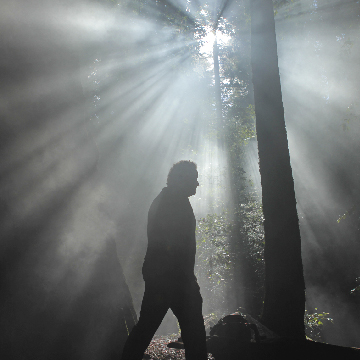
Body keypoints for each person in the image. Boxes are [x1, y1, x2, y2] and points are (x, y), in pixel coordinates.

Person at [121, 160, 208, 360]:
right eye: (194, 179)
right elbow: (170, 245)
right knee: (192, 331)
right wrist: (185, 280)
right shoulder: (171, 202)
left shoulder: (171, 200)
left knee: (147, 327)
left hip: (166, 278)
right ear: (182, 179)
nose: (197, 184)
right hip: (172, 280)